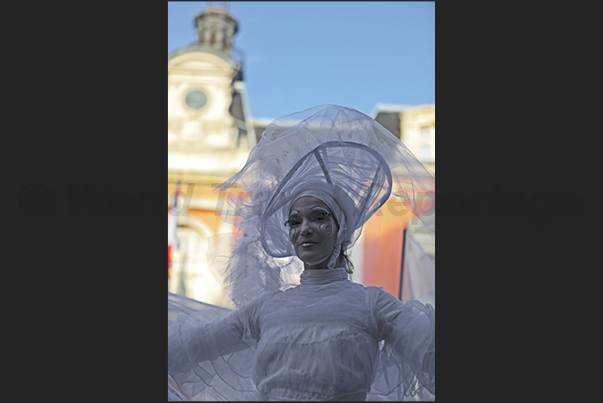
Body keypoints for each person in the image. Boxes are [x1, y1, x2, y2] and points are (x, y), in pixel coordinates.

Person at [168, 105, 435, 401]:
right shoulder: (265, 309)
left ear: (341, 229)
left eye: (319, 217)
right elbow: (187, 349)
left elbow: (431, 354)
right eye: (295, 221)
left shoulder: (374, 305)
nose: (304, 228)